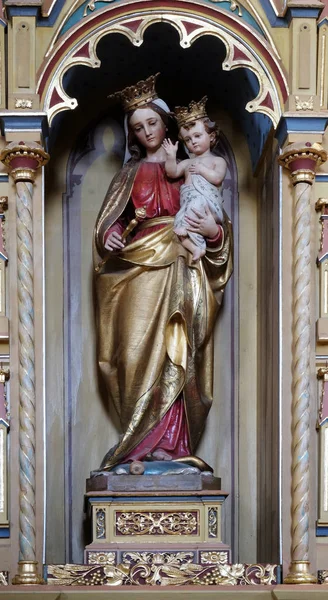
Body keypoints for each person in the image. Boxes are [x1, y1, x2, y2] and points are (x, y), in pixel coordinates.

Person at [93, 74, 233, 471]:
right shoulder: (127, 175)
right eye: (138, 127)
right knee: (134, 354)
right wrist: (112, 235)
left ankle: (171, 446)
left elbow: (216, 225)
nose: (146, 131)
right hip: (137, 271)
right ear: (132, 134)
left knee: (179, 353)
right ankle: (136, 444)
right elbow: (111, 223)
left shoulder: (190, 169)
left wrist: (214, 233)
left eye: (152, 122)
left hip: (183, 267)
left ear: (165, 123)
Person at [163, 97, 226, 261]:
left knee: (193, 210)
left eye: (197, 136)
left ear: (211, 136)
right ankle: (196, 248)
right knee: (179, 223)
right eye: (188, 140)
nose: (193, 142)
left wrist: (202, 169)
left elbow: (217, 178)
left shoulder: (217, 161)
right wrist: (170, 156)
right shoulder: (187, 162)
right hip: (188, 202)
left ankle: (199, 245)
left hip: (205, 203)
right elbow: (172, 172)